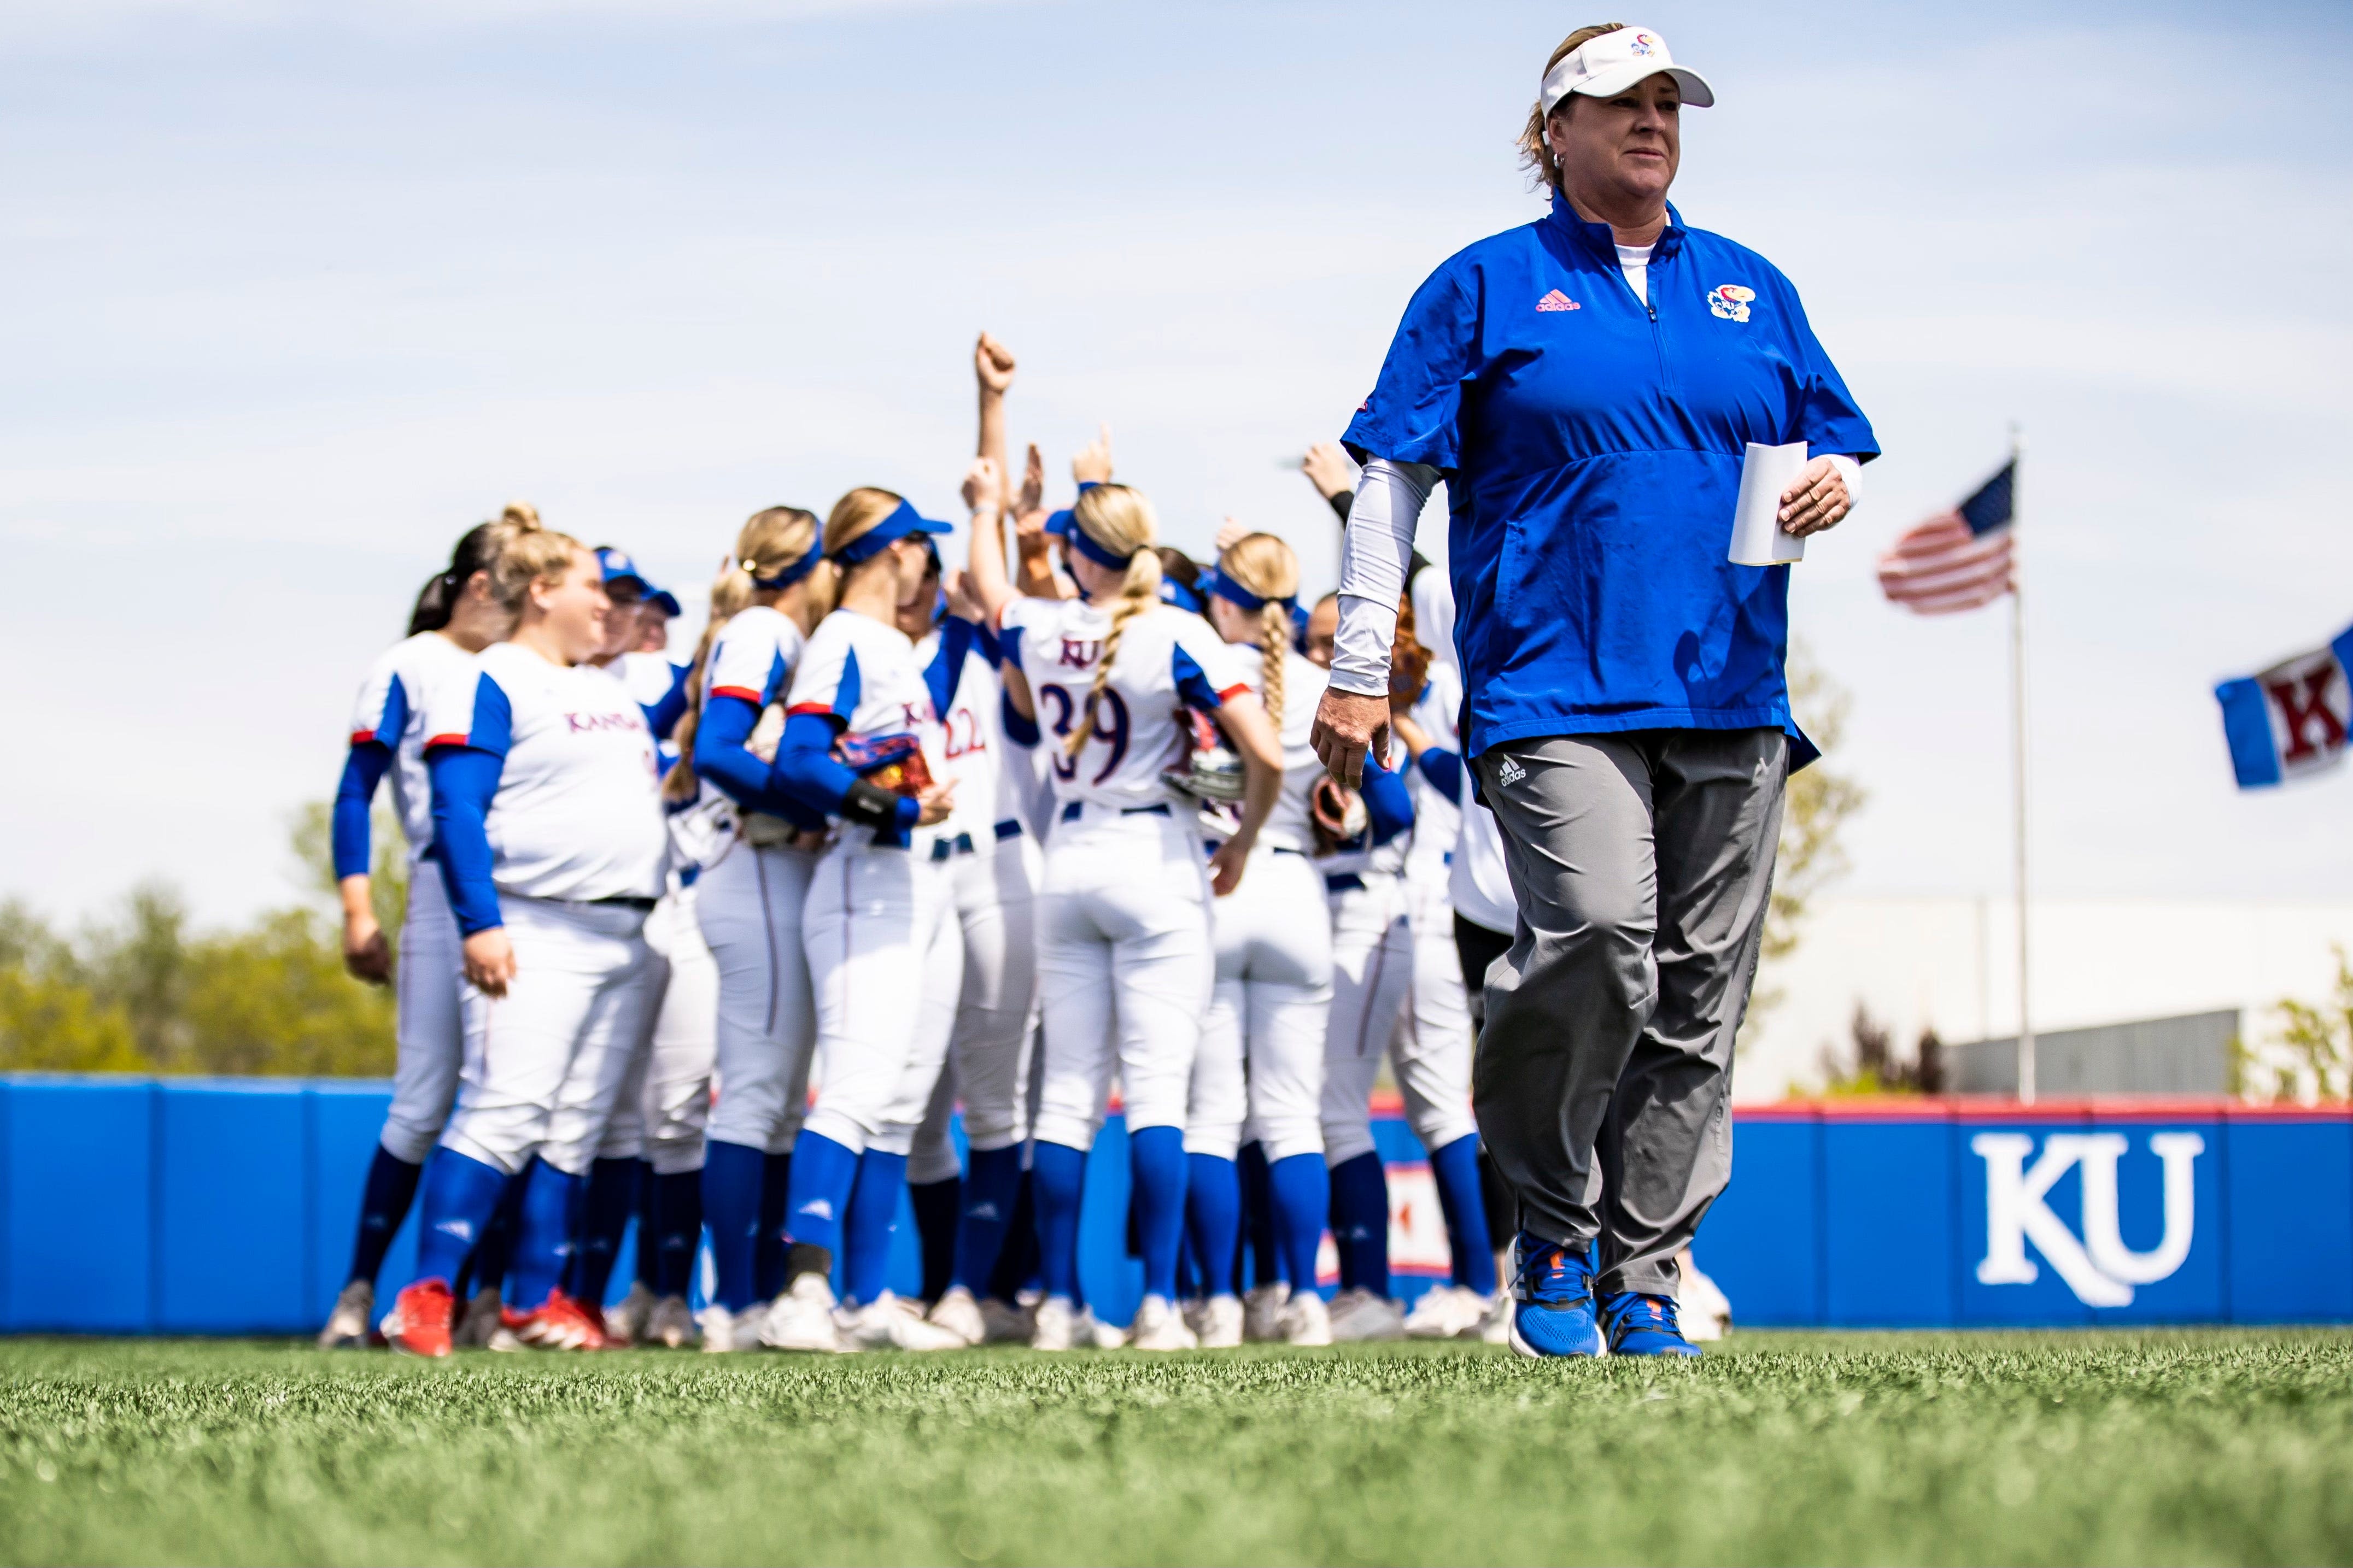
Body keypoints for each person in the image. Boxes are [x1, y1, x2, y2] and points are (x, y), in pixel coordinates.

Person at [1312, 22, 1875, 1359]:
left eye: (1669, 101)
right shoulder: (1485, 286)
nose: (1652, 121)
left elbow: (1831, 442)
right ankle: (1552, 1229)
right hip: (1554, 686)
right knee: (1594, 941)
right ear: (1551, 130)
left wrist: (1834, 485)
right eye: (1619, 102)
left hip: (1730, 688)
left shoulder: (1751, 288)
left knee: (1698, 995)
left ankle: (1649, 1273)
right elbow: (1392, 478)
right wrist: (1353, 665)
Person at [965, 457, 1284, 1352]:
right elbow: (1265, 754)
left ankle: (1059, 1307)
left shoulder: (1041, 623)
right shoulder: (1176, 630)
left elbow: (987, 583)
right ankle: (1157, 1307)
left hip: (1068, 857)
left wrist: (991, 504)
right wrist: (1246, 839)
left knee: (1064, 1099)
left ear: (1076, 550)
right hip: (1157, 859)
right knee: (1157, 1100)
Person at [385, 520, 671, 1357]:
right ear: (542, 589)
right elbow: (456, 806)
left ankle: (531, 1302)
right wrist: (480, 923)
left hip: (627, 930)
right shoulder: (491, 677)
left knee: (574, 1125)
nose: (606, 607)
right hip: (537, 923)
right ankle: (425, 1295)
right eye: (593, 588)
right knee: (503, 1110)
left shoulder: (608, 689)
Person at [758, 484, 965, 1354]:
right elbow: (800, 760)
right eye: (921, 543)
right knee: (853, 1087)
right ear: (894, 549)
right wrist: (899, 811)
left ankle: (868, 1297)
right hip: (865, 880)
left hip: (919, 887)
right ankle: (802, 1293)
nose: (928, 559)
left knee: (897, 1102)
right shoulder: (843, 636)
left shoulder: (892, 645)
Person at [315, 507, 526, 1348]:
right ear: (480, 585)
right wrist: (358, 906)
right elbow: (353, 789)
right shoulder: (412, 663)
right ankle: (359, 1294)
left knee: (509, 1094)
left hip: (530, 892)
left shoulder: (525, 668)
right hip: (446, 891)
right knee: (427, 1097)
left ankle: (474, 1298)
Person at [1184, 531, 1365, 1348]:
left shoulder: (1202, 665)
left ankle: (1220, 1302)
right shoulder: (1325, 681)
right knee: (1292, 1117)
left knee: (1212, 1117)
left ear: (1227, 595)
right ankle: (1302, 1298)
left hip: (1216, 879)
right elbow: (1361, 805)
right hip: (1297, 890)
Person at [662, 507, 832, 1351]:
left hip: (776, 869)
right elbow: (724, 750)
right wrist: (820, 801)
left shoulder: (773, 630)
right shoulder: (765, 626)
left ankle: (753, 1295)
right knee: (758, 1095)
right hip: (757, 863)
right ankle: (731, 1302)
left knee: (774, 1105)